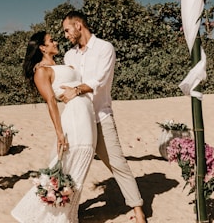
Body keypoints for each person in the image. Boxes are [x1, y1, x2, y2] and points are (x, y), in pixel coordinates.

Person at [61, 11, 147, 223]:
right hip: (78, 120)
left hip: (101, 116)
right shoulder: (69, 56)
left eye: (66, 30)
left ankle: (138, 211)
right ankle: (69, 212)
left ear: (79, 25)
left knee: (117, 163)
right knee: (73, 167)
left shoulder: (104, 48)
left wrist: (77, 90)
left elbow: (100, 80)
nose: (65, 35)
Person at [11, 31, 97, 223]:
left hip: (86, 114)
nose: (56, 42)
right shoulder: (41, 70)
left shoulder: (61, 63)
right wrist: (59, 132)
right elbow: (51, 101)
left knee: (82, 162)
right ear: (42, 47)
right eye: (51, 41)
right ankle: (48, 215)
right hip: (74, 117)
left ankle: (66, 214)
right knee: (69, 162)